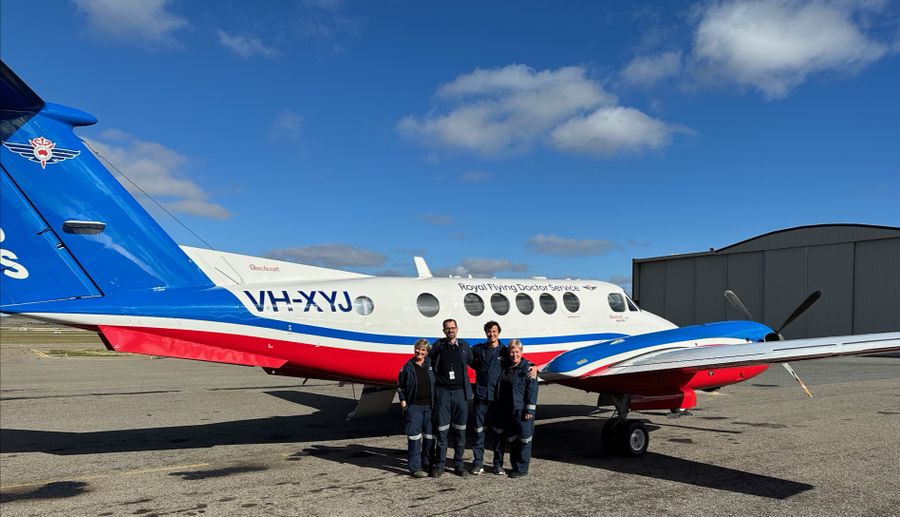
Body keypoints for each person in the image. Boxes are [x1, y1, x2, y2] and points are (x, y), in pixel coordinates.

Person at [429, 318, 473, 478]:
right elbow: (428, 361)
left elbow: (472, 361)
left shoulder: (464, 347)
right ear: (443, 331)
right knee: (442, 431)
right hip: (443, 393)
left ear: (457, 329)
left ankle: (459, 465)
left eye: (453, 328)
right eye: (447, 328)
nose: (450, 331)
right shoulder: (438, 347)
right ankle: (439, 465)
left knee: (461, 432)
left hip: (461, 393)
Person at [491, 339, 538, 478]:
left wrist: (529, 410)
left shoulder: (528, 368)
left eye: (517, 352)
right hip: (507, 409)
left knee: (524, 440)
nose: (514, 354)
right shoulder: (506, 366)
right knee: (513, 439)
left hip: (522, 410)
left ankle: (522, 468)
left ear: (521, 352)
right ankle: (515, 466)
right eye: (512, 351)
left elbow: (532, 391)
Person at [469, 320, 506, 475]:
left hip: (497, 399)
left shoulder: (505, 351)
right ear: (486, 333)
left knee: (498, 433)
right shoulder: (479, 350)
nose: (492, 334)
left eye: (494, 331)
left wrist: (533, 366)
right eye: (489, 331)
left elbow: (519, 361)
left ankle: (497, 464)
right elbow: (467, 358)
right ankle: (478, 463)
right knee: (479, 431)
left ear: (498, 332)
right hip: (481, 398)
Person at [397, 338, 435, 478]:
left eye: (423, 350)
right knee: (414, 438)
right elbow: (400, 385)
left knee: (430, 438)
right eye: (418, 349)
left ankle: (428, 464)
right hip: (415, 406)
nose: (420, 352)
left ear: (427, 352)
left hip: (429, 407)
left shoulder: (431, 364)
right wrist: (403, 401)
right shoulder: (408, 366)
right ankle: (415, 467)